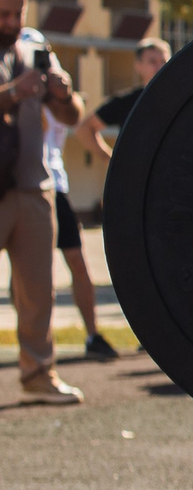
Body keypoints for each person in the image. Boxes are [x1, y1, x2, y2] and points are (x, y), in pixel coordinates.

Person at [4, 0, 85, 404]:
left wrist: (62, 93)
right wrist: (13, 93)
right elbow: (14, 95)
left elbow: (72, 115)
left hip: (34, 186)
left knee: (38, 290)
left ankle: (38, 372)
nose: (12, 22)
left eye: (18, 13)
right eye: (3, 14)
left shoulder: (34, 44)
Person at [43, 106, 113, 358]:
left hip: (56, 187)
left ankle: (93, 335)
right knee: (26, 268)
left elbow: (75, 117)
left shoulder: (54, 87)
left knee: (77, 260)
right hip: (20, 184)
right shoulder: (16, 78)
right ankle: (31, 339)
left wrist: (57, 90)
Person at [90, 36, 168, 131]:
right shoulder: (127, 102)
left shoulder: (180, 98)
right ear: (138, 66)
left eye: (164, 61)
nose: (160, 67)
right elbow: (85, 128)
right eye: (153, 62)